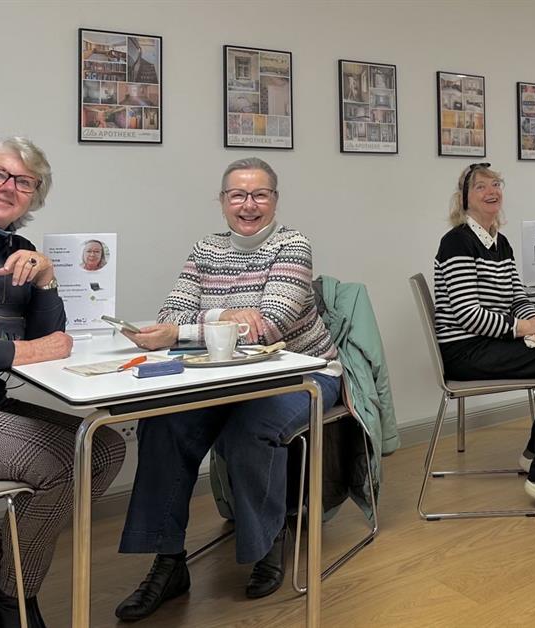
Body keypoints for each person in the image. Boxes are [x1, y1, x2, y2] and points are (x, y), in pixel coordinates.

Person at [114, 157, 341, 621]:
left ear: (275, 200)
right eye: (237, 195)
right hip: (224, 377)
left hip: (302, 375)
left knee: (249, 431)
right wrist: (225, 316)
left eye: (260, 195)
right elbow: (170, 315)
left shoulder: (292, 244)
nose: (248, 204)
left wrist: (192, 328)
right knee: (162, 423)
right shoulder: (205, 249)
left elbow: (268, 327)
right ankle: (168, 562)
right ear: (222, 201)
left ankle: (267, 543)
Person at [0, 137, 126, 628]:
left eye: (23, 181)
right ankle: (13, 600)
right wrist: (25, 351)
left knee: (104, 447)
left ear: (34, 195)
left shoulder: (20, 250)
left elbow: (52, 341)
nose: (7, 187)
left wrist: (47, 279)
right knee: (61, 463)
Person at [434, 163, 535, 514]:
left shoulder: (500, 242)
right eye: (481, 186)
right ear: (464, 198)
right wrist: (529, 328)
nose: (491, 191)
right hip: (465, 350)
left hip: (490, 343)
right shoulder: (456, 243)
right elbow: (469, 315)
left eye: (496, 184)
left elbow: (517, 298)